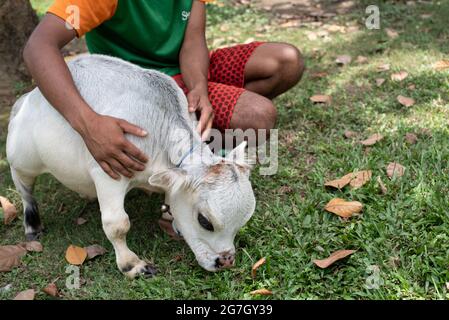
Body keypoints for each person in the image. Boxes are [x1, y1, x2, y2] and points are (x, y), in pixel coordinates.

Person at [23, 0, 304, 180]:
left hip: (185, 72)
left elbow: (193, 40)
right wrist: (89, 125)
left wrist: (200, 88)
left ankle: (192, 141)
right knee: (258, 116)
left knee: (286, 61)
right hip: (143, 89)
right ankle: (189, 163)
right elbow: (38, 47)